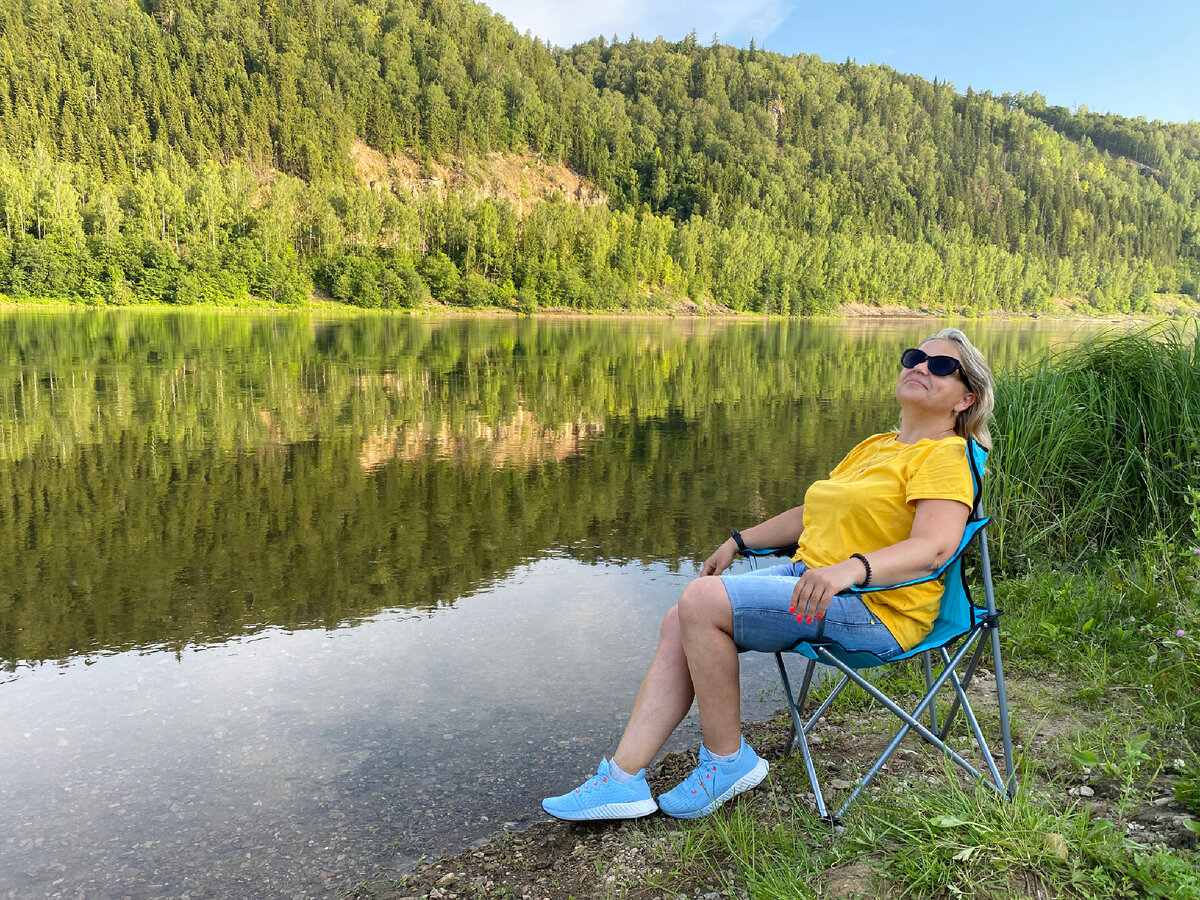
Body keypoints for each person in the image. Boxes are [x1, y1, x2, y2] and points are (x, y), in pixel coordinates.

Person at [541, 328, 996, 821]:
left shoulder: (945, 455)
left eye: (942, 366)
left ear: (965, 399)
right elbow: (814, 512)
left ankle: (726, 761)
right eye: (915, 357)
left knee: (701, 602)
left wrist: (851, 570)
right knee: (680, 616)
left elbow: (935, 547)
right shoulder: (877, 446)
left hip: (878, 607)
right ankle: (622, 779)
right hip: (814, 581)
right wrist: (739, 541)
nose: (921, 367)